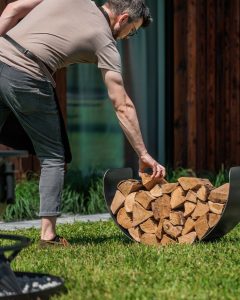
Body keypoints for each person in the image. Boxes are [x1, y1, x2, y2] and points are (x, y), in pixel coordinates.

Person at [0, 0, 166, 246]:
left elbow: (13, 9)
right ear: (122, 19)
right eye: (131, 32)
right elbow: (122, 105)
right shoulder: (104, 41)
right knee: (53, 157)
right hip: (29, 77)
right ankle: (48, 236)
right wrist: (143, 153)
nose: (127, 37)